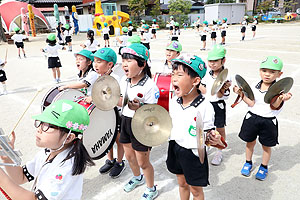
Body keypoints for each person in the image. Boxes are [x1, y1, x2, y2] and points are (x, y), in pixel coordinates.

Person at [0, 99, 95, 200]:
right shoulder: (48, 151)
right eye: (41, 123)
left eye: (48, 126)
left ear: (68, 137)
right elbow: (21, 177)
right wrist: (7, 158)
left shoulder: (67, 167)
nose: (39, 129)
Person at [167, 54, 226, 200]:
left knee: (196, 191)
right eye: (173, 74)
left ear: (195, 81)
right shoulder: (174, 101)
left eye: (179, 75)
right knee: (181, 183)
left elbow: (207, 134)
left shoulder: (205, 106)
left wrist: (213, 138)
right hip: (175, 146)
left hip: (193, 153)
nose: (174, 78)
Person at [233, 56, 292, 181]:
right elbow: (251, 103)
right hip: (252, 118)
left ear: (279, 74)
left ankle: (263, 167)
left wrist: (281, 99)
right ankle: (248, 162)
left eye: (272, 72)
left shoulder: (280, 90)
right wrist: (241, 94)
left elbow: (274, 106)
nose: (267, 75)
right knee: (250, 142)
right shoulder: (255, 85)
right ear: (260, 71)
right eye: (264, 70)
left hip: (268, 121)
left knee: (266, 146)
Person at [119, 43, 160, 199]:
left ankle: (151, 188)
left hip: (142, 126)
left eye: (129, 61)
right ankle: (137, 177)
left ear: (142, 65)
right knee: (129, 156)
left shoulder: (150, 86)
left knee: (143, 162)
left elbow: (154, 113)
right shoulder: (125, 80)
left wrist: (140, 107)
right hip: (125, 121)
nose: (124, 64)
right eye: (123, 60)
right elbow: (122, 102)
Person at [86, 48, 126, 179]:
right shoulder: (99, 77)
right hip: (105, 113)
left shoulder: (116, 79)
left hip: (117, 115)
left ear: (110, 65)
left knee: (118, 139)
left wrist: (97, 97)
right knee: (107, 137)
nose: (95, 64)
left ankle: (120, 162)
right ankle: (110, 160)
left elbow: (119, 100)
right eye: (94, 61)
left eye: (99, 62)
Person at [199, 45, 231, 166]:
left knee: (220, 128)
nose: (212, 64)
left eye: (215, 61)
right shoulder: (206, 73)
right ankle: (207, 145)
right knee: (206, 127)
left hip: (218, 105)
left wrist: (222, 88)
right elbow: (203, 89)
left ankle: (219, 151)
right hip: (205, 104)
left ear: (223, 61)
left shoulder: (226, 76)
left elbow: (221, 96)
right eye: (210, 61)